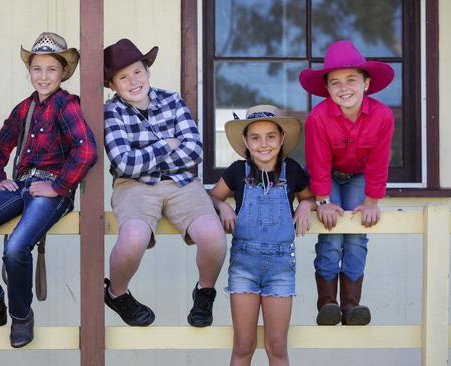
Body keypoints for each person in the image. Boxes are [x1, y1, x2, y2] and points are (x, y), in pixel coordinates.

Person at [0, 32, 97, 348]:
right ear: (29, 71)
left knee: (16, 247)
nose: (43, 76)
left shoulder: (67, 105)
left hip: (52, 188)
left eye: (51, 70)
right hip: (19, 185)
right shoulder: (24, 109)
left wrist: (59, 186)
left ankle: (20, 316)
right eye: (37, 69)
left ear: (63, 73)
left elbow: (85, 150)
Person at [103, 38, 227, 327]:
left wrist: (149, 154)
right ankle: (117, 293)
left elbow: (194, 150)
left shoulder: (171, 100)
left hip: (182, 183)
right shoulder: (112, 112)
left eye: (137, 71)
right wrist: (167, 145)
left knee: (213, 236)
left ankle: (205, 292)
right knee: (133, 238)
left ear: (148, 71)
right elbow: (124, 164)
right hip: (133, 187)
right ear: (112, 85)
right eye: (122, 77)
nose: (133, 81)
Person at [210, 105, 315, 366]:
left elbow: (311, 197)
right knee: (244, 344)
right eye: (255, 137)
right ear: (245, 141)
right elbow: (211, 196)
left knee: (277, 346)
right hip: (244, 266)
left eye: (271, 136)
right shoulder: (236, 171)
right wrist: (222, 206)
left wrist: (305, 205)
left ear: (281, 139)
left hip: (280, 267)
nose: (264, 144)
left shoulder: (292, 171)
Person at [299, 40, 395, 326]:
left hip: (359, 177)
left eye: (351, 80)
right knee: (331, 234)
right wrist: (323, 201)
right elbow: (317, 162)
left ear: (366, 83)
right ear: (327, 89)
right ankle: (327, 304)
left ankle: (352, 305)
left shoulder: (382, 116)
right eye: (335, 83)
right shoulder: (317, 118)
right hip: (327, 176)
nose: (344, 88)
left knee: (356, 236)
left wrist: (371, 202)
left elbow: (379, 161)